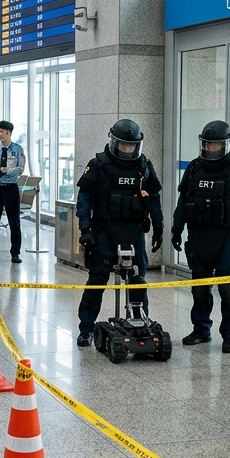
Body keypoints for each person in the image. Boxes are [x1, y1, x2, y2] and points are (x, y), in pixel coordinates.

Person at [172, 121, 230, 353]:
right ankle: (201, 329)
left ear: (227, 144)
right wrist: (176, 229)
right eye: (208, 145)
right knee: (200, 289)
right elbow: (183, 203)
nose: (211, 149)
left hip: (227, 239)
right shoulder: (193, 168)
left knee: (228, 291)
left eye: (216, 145)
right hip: (199, 237)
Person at [74, 119, 163, 348]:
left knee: (137, 281)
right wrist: (85, 229)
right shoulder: (99, 165)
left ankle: (140, 323)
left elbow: (154, 199)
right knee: (97, 280)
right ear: (114, 143)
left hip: (133, 232)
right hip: (104, 231)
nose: (127, 150)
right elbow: (84, 199)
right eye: (123, 145)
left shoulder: (144, 166)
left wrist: (159, 226)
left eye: (131, 146)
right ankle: (86, 329)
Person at [0, 120, 27, 264]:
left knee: (14, 221)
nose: (0, 134)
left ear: (9, 133)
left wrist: (8, 171)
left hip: (11, 187)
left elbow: (21, 168)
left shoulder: (17, 149)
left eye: (2, 132)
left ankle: (15, 253)